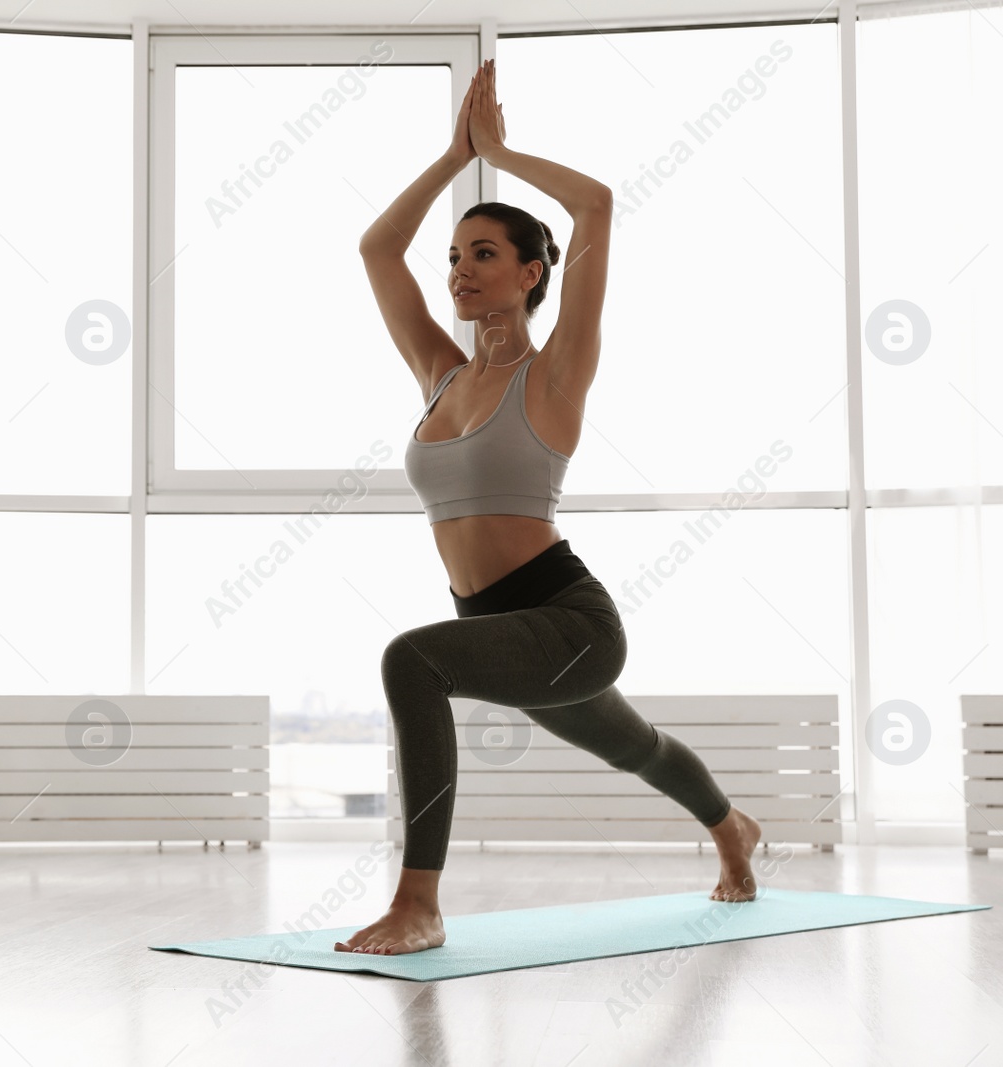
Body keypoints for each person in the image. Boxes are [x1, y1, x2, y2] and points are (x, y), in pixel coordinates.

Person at [339, 59, 761, 957]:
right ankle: (734, 829)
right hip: (493, 622)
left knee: (410, 661)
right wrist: (453, 159)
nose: (459, 270)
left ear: (533, 273)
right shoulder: (440, 374)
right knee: (637, 747)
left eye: (483, 254)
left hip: (567, 617)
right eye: (454, 256)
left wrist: (499, 151)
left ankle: (420, 902)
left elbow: (598, 207)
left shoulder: (555, 370)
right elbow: (378, 250)